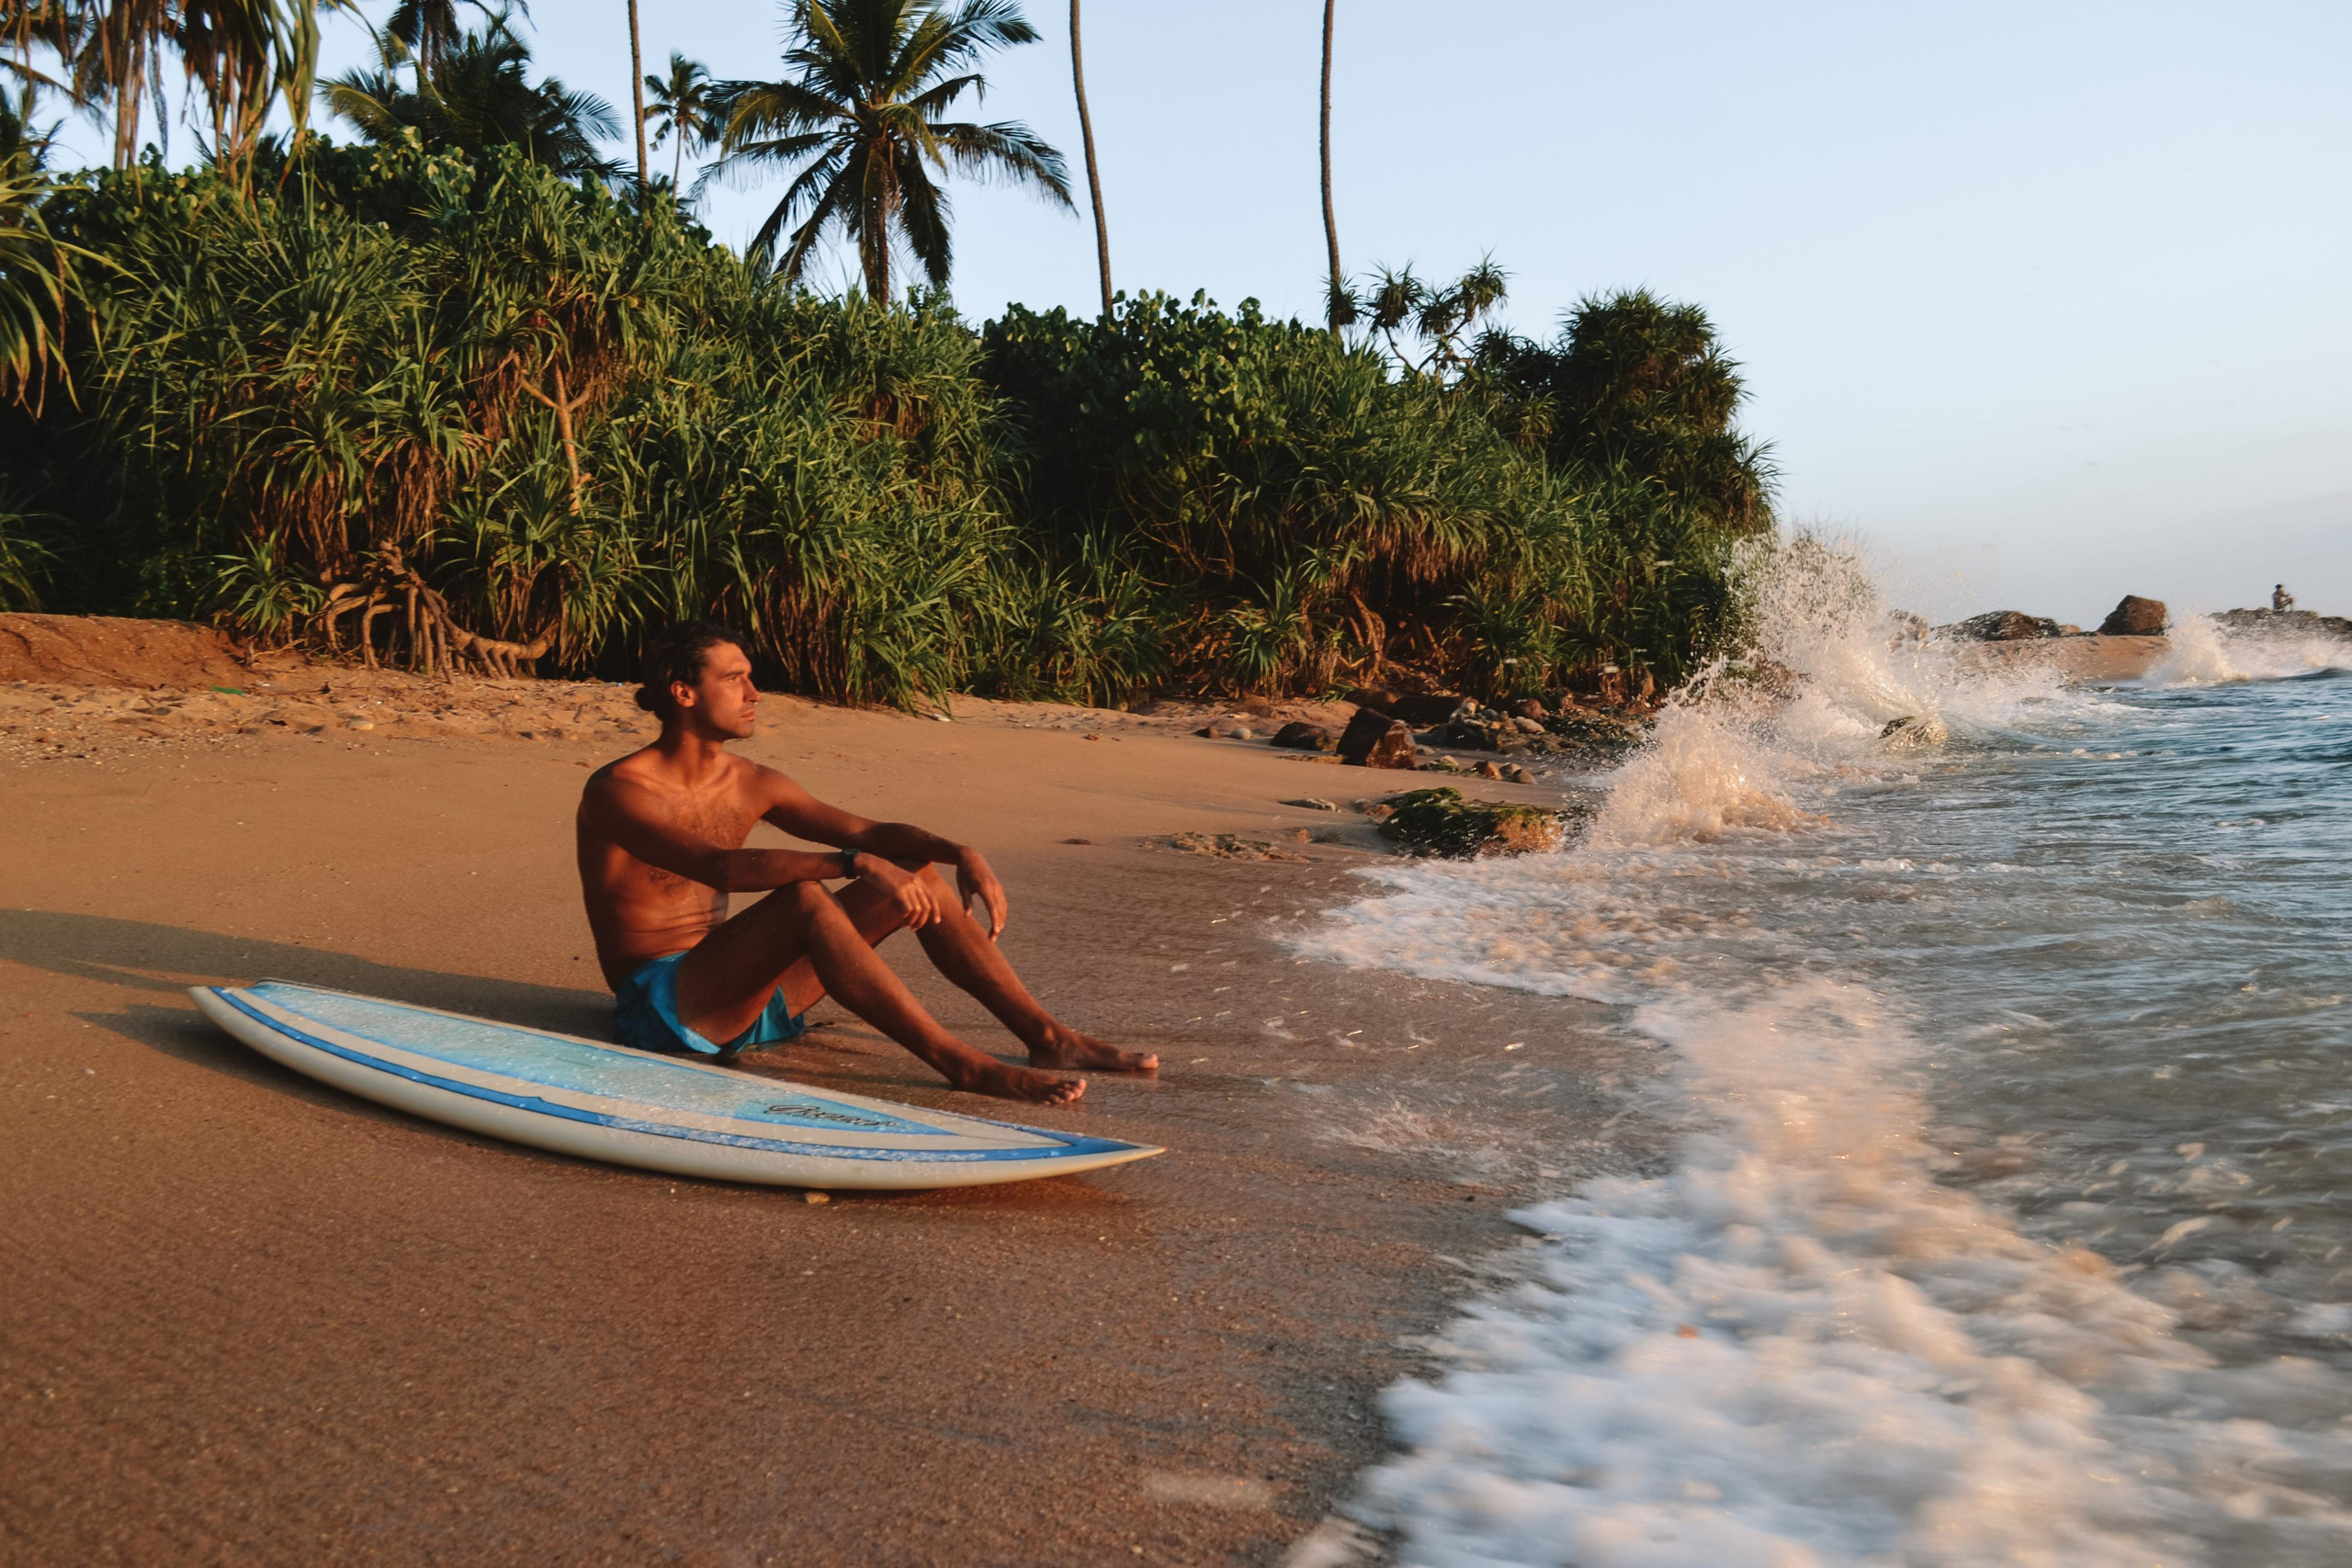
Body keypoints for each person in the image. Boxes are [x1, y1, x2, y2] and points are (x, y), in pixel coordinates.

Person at [575, 622, 1157, 1105]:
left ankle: (1048, 1036)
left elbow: (872, 832)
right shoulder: (620, 790)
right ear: (684, 693)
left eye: (751, 678)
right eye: (734, 679)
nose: (755, 693)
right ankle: (964, 1066)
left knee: (912, 869)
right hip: (664, 1008)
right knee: (805, 898)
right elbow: (722, 868)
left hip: (753, 1002)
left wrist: (958, 851)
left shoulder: (752, 782)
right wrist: (851, 863)